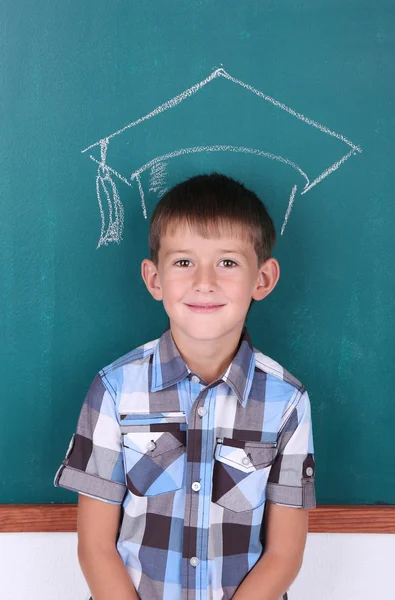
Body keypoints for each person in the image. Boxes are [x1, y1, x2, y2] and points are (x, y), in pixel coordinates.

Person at [54, 172, 316, 600]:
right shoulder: (115, 390)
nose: (204, 281)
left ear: (263, 279)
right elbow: (96, 547)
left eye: (227, 262)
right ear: (155, 278)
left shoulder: (286, 402)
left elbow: (284, 553)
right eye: (183, 262)